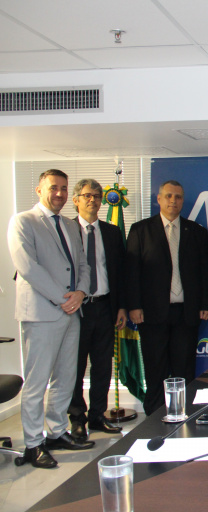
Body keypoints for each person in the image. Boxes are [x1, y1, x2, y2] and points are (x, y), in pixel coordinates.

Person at [8, 169, 94, 469]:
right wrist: (63, 299)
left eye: (64, 188)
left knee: (66, 377)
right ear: (39, 190)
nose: (59, 193)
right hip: (43, 313)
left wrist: (81, 293)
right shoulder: (23, 221)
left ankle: (57, 432)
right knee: (37, 381)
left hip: (72, 311)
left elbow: (83, 264)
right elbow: (28, 267)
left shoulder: (70, 225)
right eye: (53, 188)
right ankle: (34, 443)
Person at [125, 180, 208, 415]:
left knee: (184, 368)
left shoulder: (196, 232)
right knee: (156, 368)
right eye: (168, 196)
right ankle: (154, 416)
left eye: (178, 197)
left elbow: (205, 271)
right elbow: (131, 272)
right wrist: (134, 305)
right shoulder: (141, 230)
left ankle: (183, 413)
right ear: (159, 199)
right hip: (152, 312)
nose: (173, 201)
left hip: (186, 311)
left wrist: (206, 303)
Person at [68, 179, 126, 441]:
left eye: (97, 196)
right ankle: (77, 419)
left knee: (102, 367)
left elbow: (119, 272)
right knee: (75, 367)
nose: (93, 200)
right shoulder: (66, 230)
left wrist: (121, 306)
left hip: (104, 307)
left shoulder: (112, 232)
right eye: (87, 195)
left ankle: (97, 416)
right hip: (76, 310)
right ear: (76, 200)